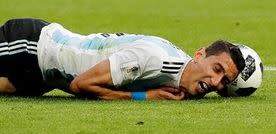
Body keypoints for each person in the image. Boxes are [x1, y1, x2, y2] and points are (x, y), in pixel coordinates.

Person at [0, 18, 245, 100]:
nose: (215, 82)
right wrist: (144, 97)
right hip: (33, 45)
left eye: (224, 81)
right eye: (217, 69)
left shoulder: (183, 76)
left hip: (42, 77)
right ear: (199, 54)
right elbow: (81, 85)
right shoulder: (154, 58)